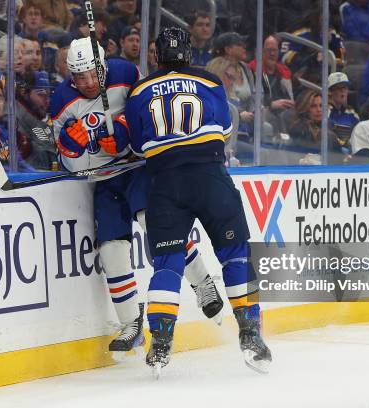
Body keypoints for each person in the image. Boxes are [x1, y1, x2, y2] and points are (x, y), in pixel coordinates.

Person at [52, 37, 224, 360]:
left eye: (92, 74)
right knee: (111, 249)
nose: (88, 83)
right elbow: (67, 164)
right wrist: (69, 148)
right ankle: (130, 323)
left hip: (138, 170)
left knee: (157, 225)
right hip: (103, 181)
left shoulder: (125, 73)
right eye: (79, 77)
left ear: (102, 66)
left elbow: (145, 119)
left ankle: (202, 283)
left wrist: (122, 134)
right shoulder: (61, 100)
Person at [125, 27, 271, 375]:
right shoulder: (208, 80)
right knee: (235, 256)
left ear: (156, 56)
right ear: (189, 54)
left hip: (166, 185)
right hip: (210, 178)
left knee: (167, 265)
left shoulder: (138, 91)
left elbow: (135, 146)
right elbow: (223, 130)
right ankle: (251, 337)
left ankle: (159, 345)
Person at [16, 70, 57, 170]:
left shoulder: (41, 117)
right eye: (41, 94)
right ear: (24, 92)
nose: (47, 100)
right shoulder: (15, 118)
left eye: (49, 94)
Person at [327, 72, 359, 150]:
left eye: (345, 87)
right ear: (330, 92)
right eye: (338, 88)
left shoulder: (351, 112)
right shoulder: (325, 111)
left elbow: (358, 135)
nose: (342, 91)